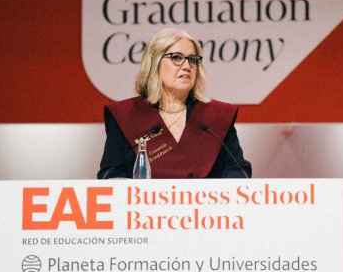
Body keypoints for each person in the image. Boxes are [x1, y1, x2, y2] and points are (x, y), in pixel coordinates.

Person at [97, 27, 252, 179]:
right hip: (145, 204)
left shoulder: (216, 117)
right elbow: (111, 174)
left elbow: (237, 171)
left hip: (204, 204)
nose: (187, 66)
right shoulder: (126, 116)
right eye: (176, 57)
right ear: (154, 63)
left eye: (193, 59)